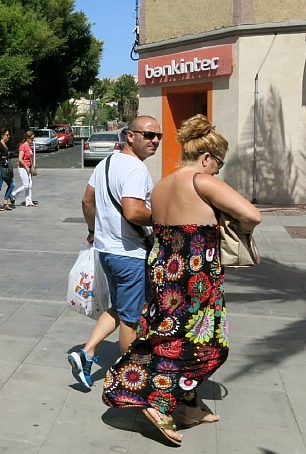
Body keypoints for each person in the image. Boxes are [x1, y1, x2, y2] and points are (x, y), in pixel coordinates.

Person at [101, 114, 261, 446]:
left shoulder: (160, 186)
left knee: (165, 338)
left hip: (162, 274)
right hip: (196, 279)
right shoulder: (202, 180)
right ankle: (159, 404)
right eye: (218, 162)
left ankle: (191, 408)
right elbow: (251, 214)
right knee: (209, 346)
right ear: (206, 157)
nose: (218, 169)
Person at [67, 115, 160, 389]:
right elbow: (133, 211)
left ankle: (87, 353)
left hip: (107, 251)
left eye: (158, 136)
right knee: (131, 320)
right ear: (130, 136)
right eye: (148, 135)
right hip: (130, 254)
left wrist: (94, 230)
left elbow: (87, 200)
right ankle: (130, 381)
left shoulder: (107, 162)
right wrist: (165, 217)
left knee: (119, 308)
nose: (155, 140)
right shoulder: (135, 169)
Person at [0, 128, 15, 211]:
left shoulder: (5, 145)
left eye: (9, 135)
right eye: (7, 135)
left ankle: (5, 201)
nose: (9, 136)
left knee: (11, 184)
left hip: (6, 169)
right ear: (2, 136)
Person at [12, 131, 37, 207]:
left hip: (29, 167)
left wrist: (32, 166)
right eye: (32, 138)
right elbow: (20, 159)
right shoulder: (23, 146)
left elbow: (30, 157)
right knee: (26, 185)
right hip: (23, 168)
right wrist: (26, 167)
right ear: (27, 138)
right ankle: (13, 194)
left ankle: (28, 201)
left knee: (30, 185)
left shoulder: (29, 146)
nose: (33, 140)